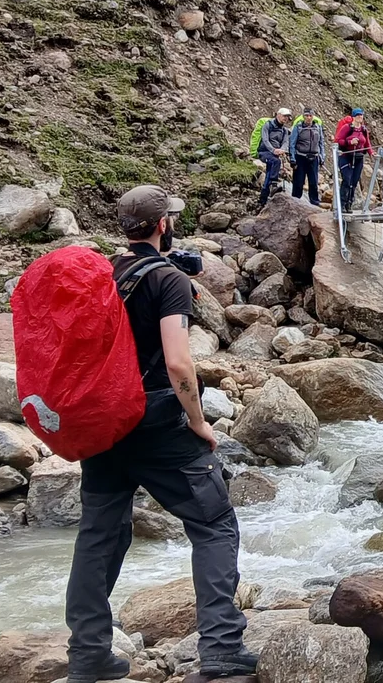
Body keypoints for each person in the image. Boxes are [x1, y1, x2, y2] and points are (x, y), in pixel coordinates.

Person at [65, 186, 256, 683]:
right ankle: (220, 649)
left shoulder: (105, 273)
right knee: (214, 523)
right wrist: (198, 421)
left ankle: (88, 656)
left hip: (104, 423)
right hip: (156, 424)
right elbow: (177, 361)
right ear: (161, 225)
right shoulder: (168, 279)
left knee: (98, 536)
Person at [333, 107, 376, 213]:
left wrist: (371, 153)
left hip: (358, 158)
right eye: (357, 115)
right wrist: (349, 142)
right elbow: (337, 141)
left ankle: (349, 204)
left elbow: (367, 143)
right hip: (346, 156)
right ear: (353, 117)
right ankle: (341, 204)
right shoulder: (347, 128)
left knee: (354, 182)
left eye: (361, 115)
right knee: (347, 180)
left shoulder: (364, 129)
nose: (360, 117)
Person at [252, 108, 292, 209]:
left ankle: (262, 200)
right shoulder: (268, 125)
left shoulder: (284, 130)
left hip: (274, 153)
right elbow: (265, 139)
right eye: (284, 116)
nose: (286, 119)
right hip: (264, 152)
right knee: (276, 162)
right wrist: (273, 150)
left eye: (287, 117)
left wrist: (282, 150)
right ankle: (274, 185)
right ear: (278, 115)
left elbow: (285, 142)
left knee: (269, 174)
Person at [287, 108, 326, 207]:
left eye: (310, 116)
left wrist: (322, 156)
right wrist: (292, 158)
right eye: (306, 116)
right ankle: (295, 200)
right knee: (298, 181)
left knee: (313, 182)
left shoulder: (318, 127)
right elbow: (292, 143)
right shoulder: (298, 127)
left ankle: (314, 201)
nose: (308, 118)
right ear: (303, 116)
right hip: (300, 157)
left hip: (314, 158)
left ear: (313, 116)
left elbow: (321, 143)